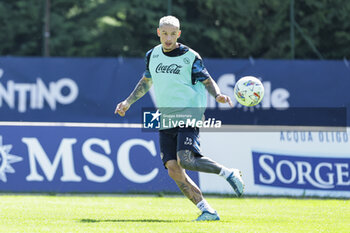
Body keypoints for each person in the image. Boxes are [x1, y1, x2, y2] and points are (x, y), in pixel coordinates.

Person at [115, 15, 244, 221]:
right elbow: (147, 81)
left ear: (179, 34)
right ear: (158, 33)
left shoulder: (190, 56)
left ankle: (229, 173)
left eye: (173, 34)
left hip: (189, 113)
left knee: (186, 159)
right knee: (173, 169)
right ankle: (207, 210)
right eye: (165, 33)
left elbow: (207, 80)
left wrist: (217, 94)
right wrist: (128, 102)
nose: (168, 38)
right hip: (166, 116)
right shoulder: (153, 55)